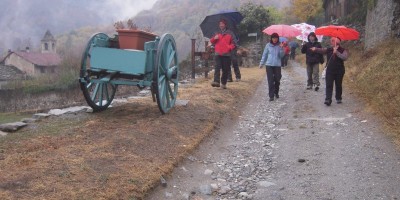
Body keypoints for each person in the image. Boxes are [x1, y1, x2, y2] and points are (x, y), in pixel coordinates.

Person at [310, 37, 349, 106]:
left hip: (339, 70)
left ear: (337, 42)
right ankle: (328, 99)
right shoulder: (329, 49)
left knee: (338, 85)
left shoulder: (343, 50)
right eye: (331, 40)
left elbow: (345, 57)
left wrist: (336, 52)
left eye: (332, 40)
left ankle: (338, 98)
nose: (331, 41)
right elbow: (322, 50)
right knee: (329, 85)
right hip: (329, 70)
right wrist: (315, 49)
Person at [210, 19, 236, 89]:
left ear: (225, 25)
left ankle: (223, 83)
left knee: (225, 69)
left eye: (222, 24)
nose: (221, 25)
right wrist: (214, 38)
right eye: (220, 24)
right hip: (218, 53)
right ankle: (216, 82)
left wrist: (229, 47)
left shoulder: (230, 33)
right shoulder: (217, 33)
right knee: (217, 67)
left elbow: (234, 43)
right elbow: (211, 41)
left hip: (226, 54)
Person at [259, 33, 284, 101]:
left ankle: (276, 92)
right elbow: (265, 55)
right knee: (270, 80)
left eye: (276, 38)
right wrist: (261, 63)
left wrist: (281, 48)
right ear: (271, 38)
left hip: (277, 65)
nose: (274, 39)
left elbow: (281, 56)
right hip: (269, 65)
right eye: (273, 38)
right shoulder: (268, 45)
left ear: (278, 38)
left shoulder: (280, 45)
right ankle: (271, 96)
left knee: (277, 79)